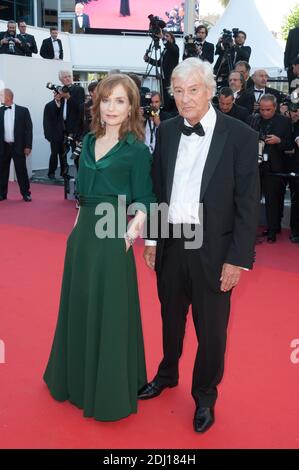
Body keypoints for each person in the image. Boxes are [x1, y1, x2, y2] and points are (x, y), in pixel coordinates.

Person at [138, 58, 260, 433]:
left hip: (214, 249)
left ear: (210, 90)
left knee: (211, 331)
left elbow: (247, 203)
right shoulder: (169, 130)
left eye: (193, 90)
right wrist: (154, 238)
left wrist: (237, 259)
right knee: (170, 318)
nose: (185, 99)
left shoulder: (239, 135)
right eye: (178, 91)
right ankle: (167, 372)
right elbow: (159, 189)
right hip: (173, 242)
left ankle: (205, 396)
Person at [43, 74, 156, 421]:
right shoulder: (89, 141)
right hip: (82, 239)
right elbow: (83, 196)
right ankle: (75, 380)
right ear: (98, 103)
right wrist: (74, 232)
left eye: (120, 101)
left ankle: (107, 389)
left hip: (112, 239)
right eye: (106, 100)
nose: (111, 107)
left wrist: (128, 237)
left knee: (110, 313)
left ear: (131, 106)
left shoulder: (137, 149)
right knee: (79, 306)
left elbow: (146, 199)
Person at [0, 88, 32, 201]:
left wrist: (28, 146)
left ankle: (26, 193)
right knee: (2, 170)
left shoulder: (23, 111)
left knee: (21, 170)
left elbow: (29, 129)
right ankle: (2, 194)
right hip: (3, 146)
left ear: (8, 97)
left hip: (18, 145)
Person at [144, 30, 179, 112]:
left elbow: (172, 49)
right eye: (165, 36)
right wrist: (148, 59)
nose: (165, 38)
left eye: (167, 36)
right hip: (163, 78)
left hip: (170, 78)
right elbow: (159, 63)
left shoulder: (175, 48)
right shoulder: (164, 51)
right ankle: (165, 111)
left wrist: (162, 37)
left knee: (170, 97)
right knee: (164, 97)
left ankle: (170, 112)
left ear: (172, 39)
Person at [284, 26, 299, 92]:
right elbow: (287, 50)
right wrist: (286, 66)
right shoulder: (293, 32)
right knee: (293, 91)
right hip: (292, 68)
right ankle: (293, 102)